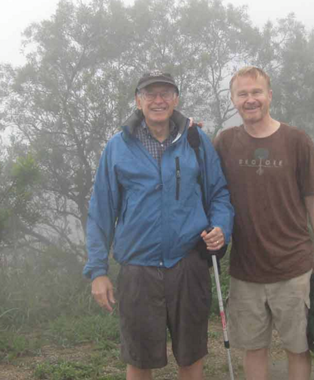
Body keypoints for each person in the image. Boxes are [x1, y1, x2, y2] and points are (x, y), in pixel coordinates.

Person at [83, 71, 234, 380]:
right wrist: (98, 271)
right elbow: (101, 211)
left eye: (166, 93)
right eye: (150, 94)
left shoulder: (195, 140)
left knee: (191, 357)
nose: (158, 100)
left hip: (188, 264)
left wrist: (221, 226)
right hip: (138, 268)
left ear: (176, 99)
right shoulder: (118, 147)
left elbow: (218, 192)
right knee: (139, 361)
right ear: (138, 101)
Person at [214, 66, 314, 380]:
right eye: (243, 94)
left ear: (270, 95)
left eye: (256, 92)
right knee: (253, 349)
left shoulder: (296, 140)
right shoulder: (224, 143)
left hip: (293, 267)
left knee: (298, 348)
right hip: (246, 270)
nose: (250, 99)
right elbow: (210, 191)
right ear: (233, 99)